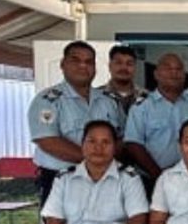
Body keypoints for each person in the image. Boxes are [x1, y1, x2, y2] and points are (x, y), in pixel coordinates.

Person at [28, 40, 124, 207]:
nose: (82, 66)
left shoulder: (109, 101)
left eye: (89, 62)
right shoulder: (48, 101)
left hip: (105, 179)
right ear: (63, 64)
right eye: (75, 60)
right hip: (61, 179)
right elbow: (48, 141)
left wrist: (104, 166)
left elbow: (122, 138)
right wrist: (95, 161)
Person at [123, 53, 188, 189]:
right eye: (168, 68)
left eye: (178, 69)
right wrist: (159, 176)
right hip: (152, 179)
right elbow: (133, 144)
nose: (174, 73)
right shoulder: (142, 107)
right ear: (156, 74)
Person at [101, 45, 146, 117]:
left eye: (129, 64)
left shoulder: (147, 97)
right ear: (110, 66)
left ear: (135, 68)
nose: (124, 68)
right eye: (118, 63)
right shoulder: (97, 96)